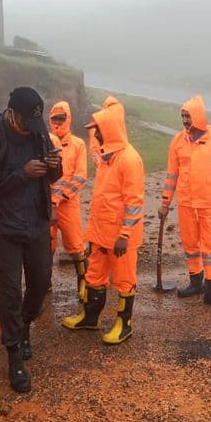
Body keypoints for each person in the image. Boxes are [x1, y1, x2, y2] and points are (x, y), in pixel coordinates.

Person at [0, 87, 62, 393]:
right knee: (9, 294)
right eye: (27, 123)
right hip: (2, 227)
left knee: (40, 283)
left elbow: (54, 177)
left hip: (35, 221)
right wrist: (21, 174)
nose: (33, 130)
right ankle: (14, 356)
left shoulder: (37, 132)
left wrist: (53, 167)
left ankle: (24, 328)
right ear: (13, 114)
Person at [61, 97, 144, 345]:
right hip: (99, 233)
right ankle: (90, 317)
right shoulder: (107, 157)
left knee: (124, 280)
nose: (94, 133)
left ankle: (124, 324)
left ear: (108, 130)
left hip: (119, 238)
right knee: (95, 276)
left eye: (97, 129)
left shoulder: (129, 160)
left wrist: (124, 236)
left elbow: (134, 202)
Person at [158, 95, 211, 309]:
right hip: (187, 203)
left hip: (209, 202)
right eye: (182, 116)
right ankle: (195, 282)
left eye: (188, 116)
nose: (185, 120)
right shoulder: (178, 141)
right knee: (190, 244)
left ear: (198, 116)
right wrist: (165, 202)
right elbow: (172, 175)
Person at [48, 101, 88, 298]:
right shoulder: (43, 141)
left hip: (68, 203)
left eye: (61, 118)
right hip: (46, 206)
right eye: (54, 118)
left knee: (75, 245)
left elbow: (80, 176)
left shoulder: (78, 144)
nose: (57, 121)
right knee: (46, 245)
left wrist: (60, 198)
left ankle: (83, 281)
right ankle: (45, 283)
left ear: (68, 119)